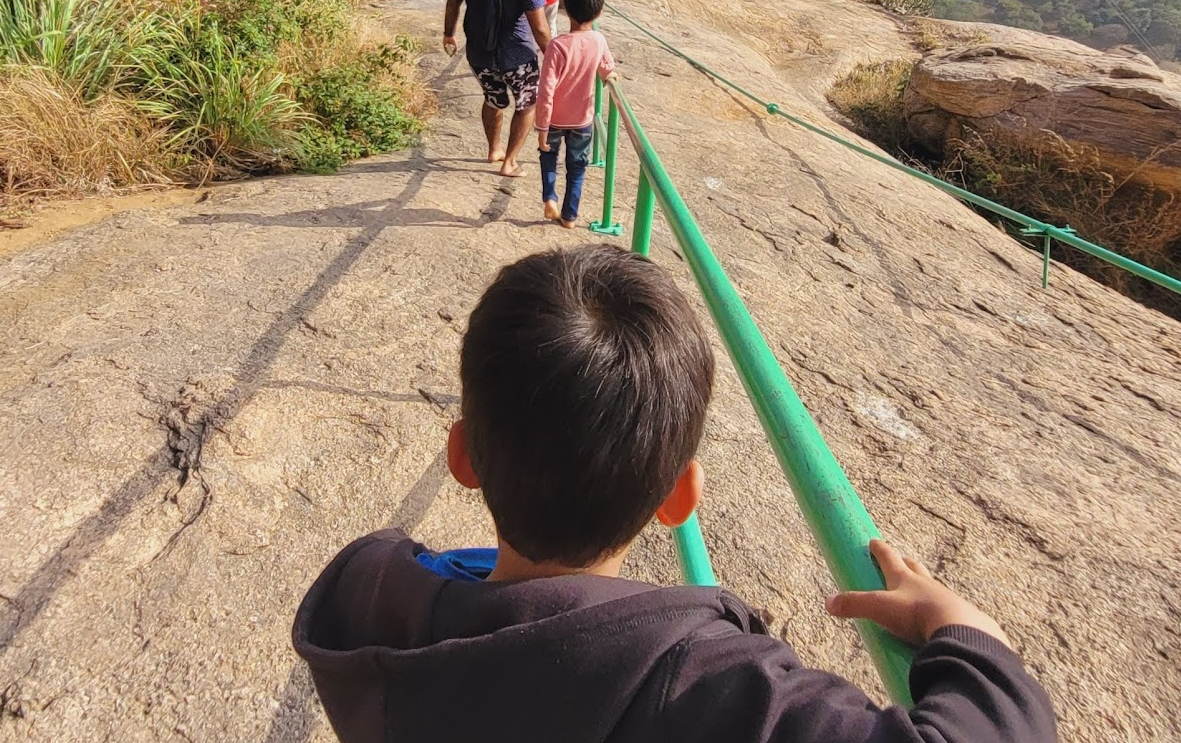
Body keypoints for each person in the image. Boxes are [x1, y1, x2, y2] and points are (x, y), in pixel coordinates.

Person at [292, 246, 1059, 743]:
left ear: (463, 456)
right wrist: (966, 632)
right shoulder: (706, 688)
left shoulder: (367, 602)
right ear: (679, 496)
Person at [444, 0, 552, 177]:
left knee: (493, 99)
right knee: (526, 104)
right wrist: (554, 54)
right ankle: (510, 161)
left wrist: (449, 33)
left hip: (479, 52)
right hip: (518, 56)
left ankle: (494, 149)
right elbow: (539, 27)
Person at [534, 0, 617, 229]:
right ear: (599, 12)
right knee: (577, 166)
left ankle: (550, 197)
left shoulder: (557, 46)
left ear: (565, 9)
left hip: (555, 117)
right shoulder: (599, 40)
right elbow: (607, 67)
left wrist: (542, 126)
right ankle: (570, 216)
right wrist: (610, 75)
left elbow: (546, 88)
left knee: (548, 156)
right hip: (582, 118)